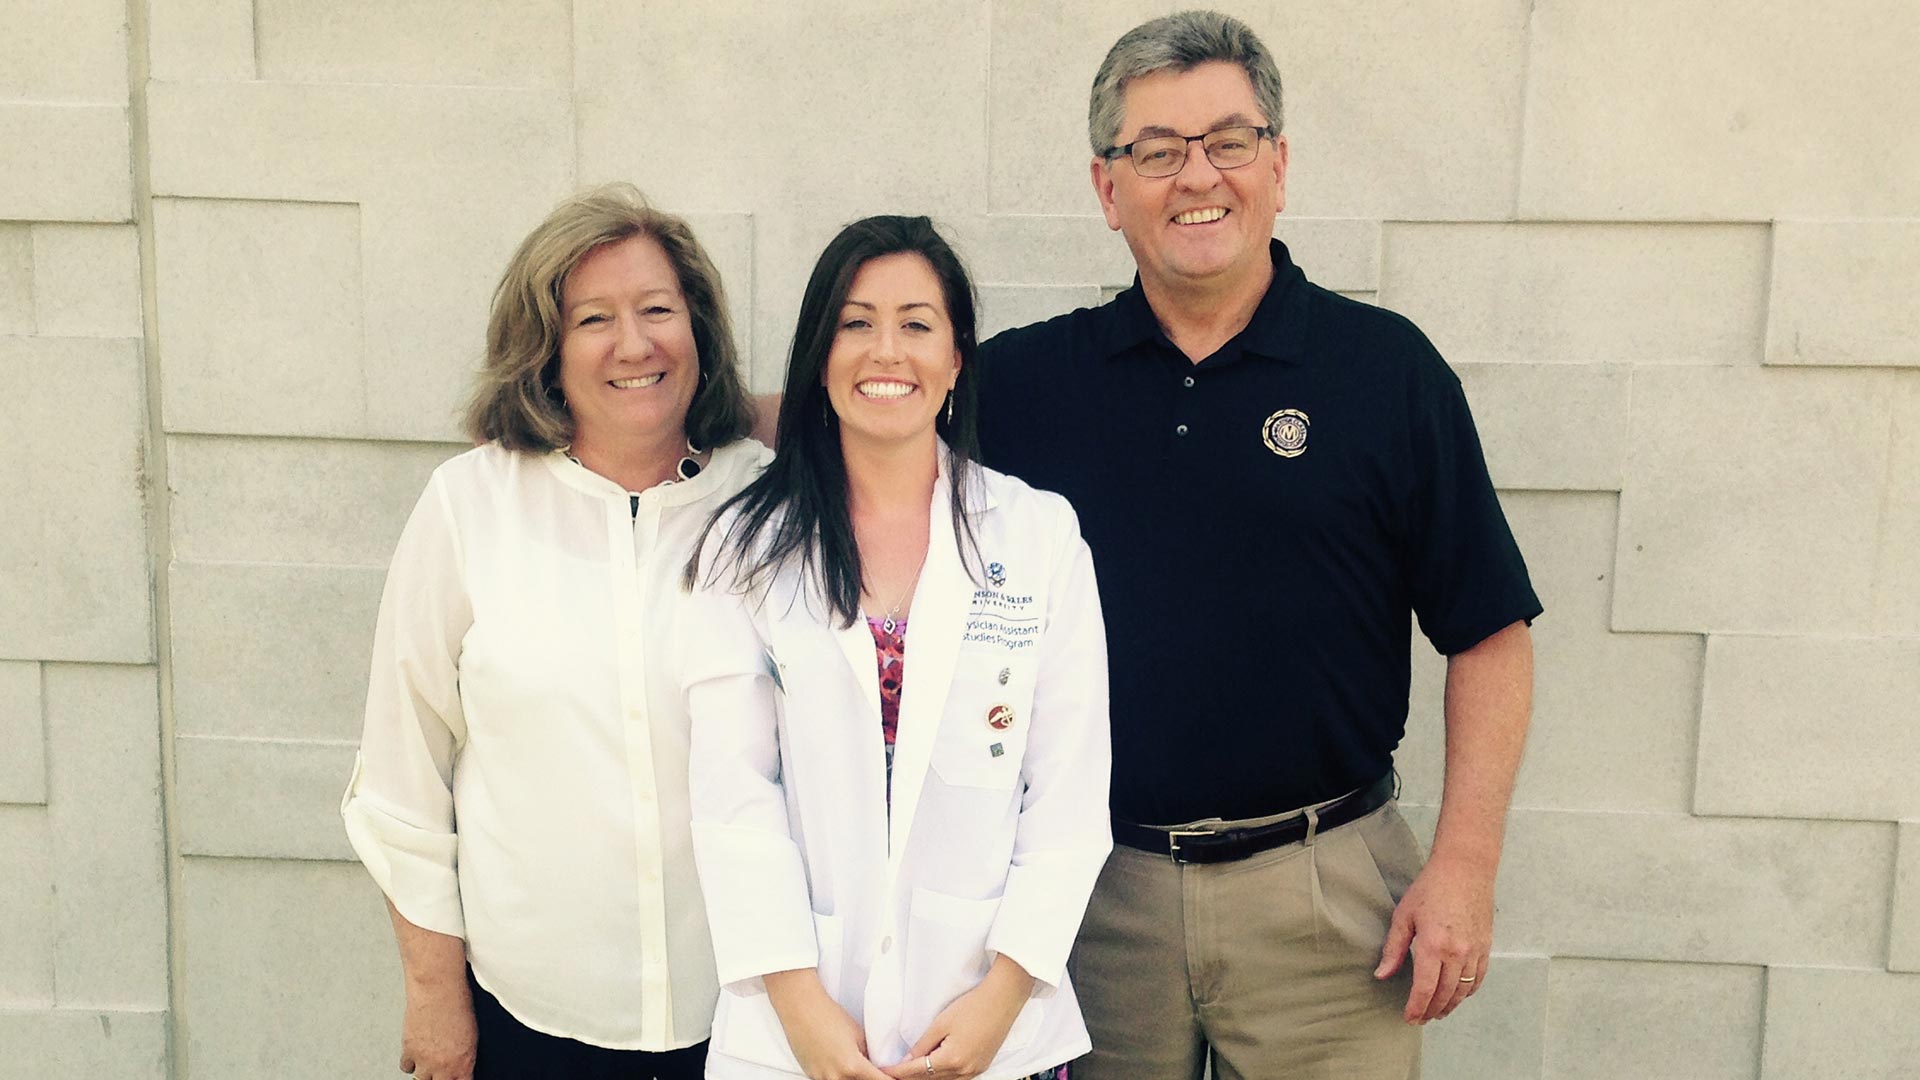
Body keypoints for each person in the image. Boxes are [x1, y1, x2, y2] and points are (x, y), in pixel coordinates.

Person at [968, 11, 1542, 1080]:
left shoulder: (1387, 374)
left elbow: (1491, 634)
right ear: (1107, 189)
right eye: (1156, 151)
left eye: (1229, 141)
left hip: (1330, 909)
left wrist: (1466, 864)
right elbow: (862, 422)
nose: (1198, 177)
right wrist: (667, 421)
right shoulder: (1027, 387)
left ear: (1278, 166)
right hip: (1092, 901)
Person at [341, 183, 767, 1080]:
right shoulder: (470, 506)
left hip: (748, 1017)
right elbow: (401, 778)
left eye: (659, 310)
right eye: (594, 320)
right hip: (530, 1021)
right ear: (545, 348)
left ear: (699, 330)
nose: (636, 344)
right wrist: (434, 999)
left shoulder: (765, 501)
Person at [679, 216, 1111, 1080]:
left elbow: (1067, 794)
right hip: (800, 1029)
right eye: (855, 323)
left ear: (955, 362)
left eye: (916, 324)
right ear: (820, 354)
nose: (886, 351)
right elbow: (734, 797)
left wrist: (1003, 998)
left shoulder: (1036, 535)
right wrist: (800, 1007)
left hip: (989, 1023)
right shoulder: (747, 545)